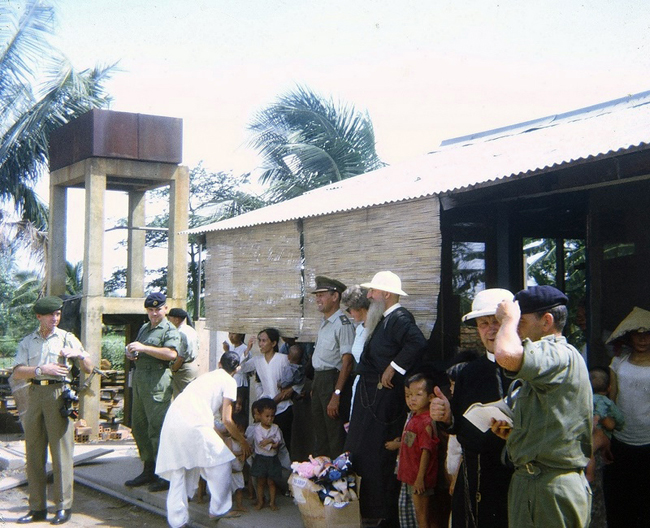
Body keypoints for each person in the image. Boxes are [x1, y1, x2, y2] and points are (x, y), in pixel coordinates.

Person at [490, 285, 593, 528]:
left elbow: (505, 354)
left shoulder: (556, 352)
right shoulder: (551, 361)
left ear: (546, 321)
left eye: (521, 322)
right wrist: (518, 436)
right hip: (536, 482)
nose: (516, 328)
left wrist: (508, 318)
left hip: (550, 487)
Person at [345, 271, 428, 527]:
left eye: (373, 291)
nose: (369, 295)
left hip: (384, 401)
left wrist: (394, 367)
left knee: (377, 455)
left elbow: (417, 342)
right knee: (362, 451)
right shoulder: (383, 318)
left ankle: (381, 515)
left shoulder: (400, 318)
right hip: (370, 397)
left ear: (387, 295)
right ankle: (367, 511)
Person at [430, 288, 514, 528]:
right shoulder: (470, 372)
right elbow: (457, 423)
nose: (491, 329)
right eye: (483, 324)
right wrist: (446, 416)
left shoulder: (528, 369)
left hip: (515, 474)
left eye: (497, 321)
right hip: (476, 475)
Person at [12, 295, 93, 525]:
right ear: (39, 316)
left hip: (59, 395)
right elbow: (17, 371)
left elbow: (89, 367)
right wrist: (40, 369)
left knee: (61, 454)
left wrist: (80, 354)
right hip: (35, 394)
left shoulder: (68, 339)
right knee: (34, 453)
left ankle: (63, 507)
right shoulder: (28, 341)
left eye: (57, 314)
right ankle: (37, 508)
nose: (55, 318)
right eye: (50, 315)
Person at [155, 351, 251, 527]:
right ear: (236, 369)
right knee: (222, 461)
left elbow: (210, 419)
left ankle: (177, 521)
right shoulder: (230, 380)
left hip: (173, 420)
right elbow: (227, 420)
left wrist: (222, 435)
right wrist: (243, 441)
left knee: (179, 470)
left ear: (220, 364)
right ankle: (219, 510)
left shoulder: (207, 377)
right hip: (193, 423)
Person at [124, 292, 180, 492]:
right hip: (141, 380)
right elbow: (141, 350)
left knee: (158, 428)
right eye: (151, 310)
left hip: (158, 381)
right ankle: (148, 469)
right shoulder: (145, 328)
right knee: (139, 427)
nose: (154, 313)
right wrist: (133, 353)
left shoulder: (169, 330)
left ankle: (164, 475)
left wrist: (145, 348)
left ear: (165, 308)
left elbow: (171, 354)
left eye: (158, 309)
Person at [602, 306, 650, 528]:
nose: (642, 338)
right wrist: (607, 438)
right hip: (621, 441)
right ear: (629, 335)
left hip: (648, 441)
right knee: (621, 503)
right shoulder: (618, 364)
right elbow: (611, 401)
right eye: (637, 333)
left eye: (647, 333)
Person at [310, 276, 355, 459]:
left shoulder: (342, 323)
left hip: (333, 381)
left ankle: (338, 481)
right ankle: (322, 478)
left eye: (322, 295)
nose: (317, 299)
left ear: (335, 296)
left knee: (335, 436)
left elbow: (348, 362)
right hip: (320, 381)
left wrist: (336, 394)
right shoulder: (324, 323)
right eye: (317, 295)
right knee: (321, 436)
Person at [241, 328, 299, 453]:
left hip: (283, 408)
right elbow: (243, 368)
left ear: (273, 343)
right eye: (259, 341)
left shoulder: (283, 359)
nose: (261, 344)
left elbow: (296, 376)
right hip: (266, 409)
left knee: (284, 443)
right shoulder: (257, 360)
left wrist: (291, 389)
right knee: (266, 444)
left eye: (264, 341)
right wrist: (247, 349)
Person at [396, 373, 439, 528]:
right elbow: (411, 443)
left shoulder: (426, 421)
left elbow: (426, 450)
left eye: (418, 395)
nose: (411, 400)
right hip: (410, 476)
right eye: (408, 395)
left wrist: (420, 478)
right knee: (415, 516)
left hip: (418, 478)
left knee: (422, 518)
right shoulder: (414, 417)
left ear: (430, 397)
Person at [246, 398, 284, 511]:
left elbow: (278, 441)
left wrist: (270, 441)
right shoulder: (257, 429)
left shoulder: (276, 428)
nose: (270, 419)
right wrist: (272, 441)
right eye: (267, 416)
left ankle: (272, 502)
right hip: (261, 458)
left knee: (271, 482)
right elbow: (261, 443)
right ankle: (260, 501)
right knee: (261, 482)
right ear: (260, 415)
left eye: (272, 416)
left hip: (272, 458)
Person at [341, 284, 370, 421]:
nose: (350, 313)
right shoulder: (359, 329)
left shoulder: (374, 330)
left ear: (360, 308)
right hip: (358, 381)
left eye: (350, 309)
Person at [167, 307, 199, 397]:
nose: (168, 321)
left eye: (170, 319)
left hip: (183, 369)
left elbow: (181, 357)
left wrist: (174, 369)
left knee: (182, 398)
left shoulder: (180, 333)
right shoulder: (191, 330)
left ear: (176, 320)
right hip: (193, 365)